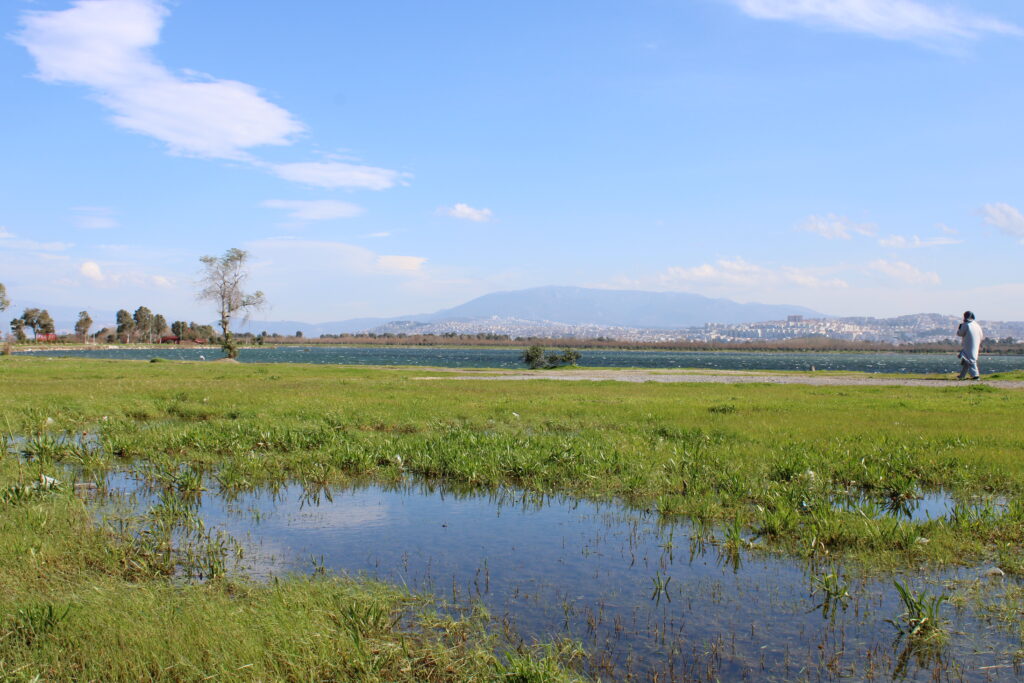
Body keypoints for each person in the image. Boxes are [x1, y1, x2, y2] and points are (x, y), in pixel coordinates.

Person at [956, 311, 983, 380]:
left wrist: (960, 328)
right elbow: (981, 336)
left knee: (970, 359)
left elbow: (960, 333)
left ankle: (975, 375)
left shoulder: (966, 324)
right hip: (976, 344)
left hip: (968, 344)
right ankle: (962, 375)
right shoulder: (977, 325)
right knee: (967, 359)